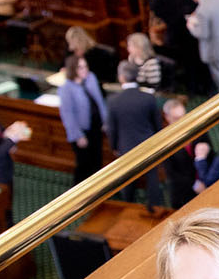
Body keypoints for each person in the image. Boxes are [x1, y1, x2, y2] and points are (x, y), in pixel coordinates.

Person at [106, 62, 164, 206]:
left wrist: (113, 146)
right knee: (152, 179)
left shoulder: (113, 101)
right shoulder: (148, 98)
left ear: (121, 77)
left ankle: (128, 207)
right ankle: (155, 209)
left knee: (128, 181)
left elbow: (111, 129)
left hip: (126, 147)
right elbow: (157, 124)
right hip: (148, 145)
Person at [150, 0, 211, 94]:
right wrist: (169, 18)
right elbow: (154, 6)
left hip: (195, 33)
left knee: (201, 59)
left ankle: (205, 86)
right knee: (188, 62)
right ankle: (192, 89)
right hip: (177, 35)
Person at [57, 53, 107, 184]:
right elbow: (67, 115)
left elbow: (99, 101)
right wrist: (78, 136)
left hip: (96, 128)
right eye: (80, 67)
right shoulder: (66, 88)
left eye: (86, 66)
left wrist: (105, 120)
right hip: (81, 131)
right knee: (84, 165)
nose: (85, 70)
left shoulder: (91, 78)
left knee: (97, 161)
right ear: (73, 69)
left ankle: (97, 190)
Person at [161, 98, 199, 208]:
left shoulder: (197, 129)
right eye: (177, 118)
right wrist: (195, 184)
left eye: (183, 116)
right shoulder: (163, 141)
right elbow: (171, 173)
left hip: (205, 184)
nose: (182, 121)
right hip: (183, 195)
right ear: (167, 117)